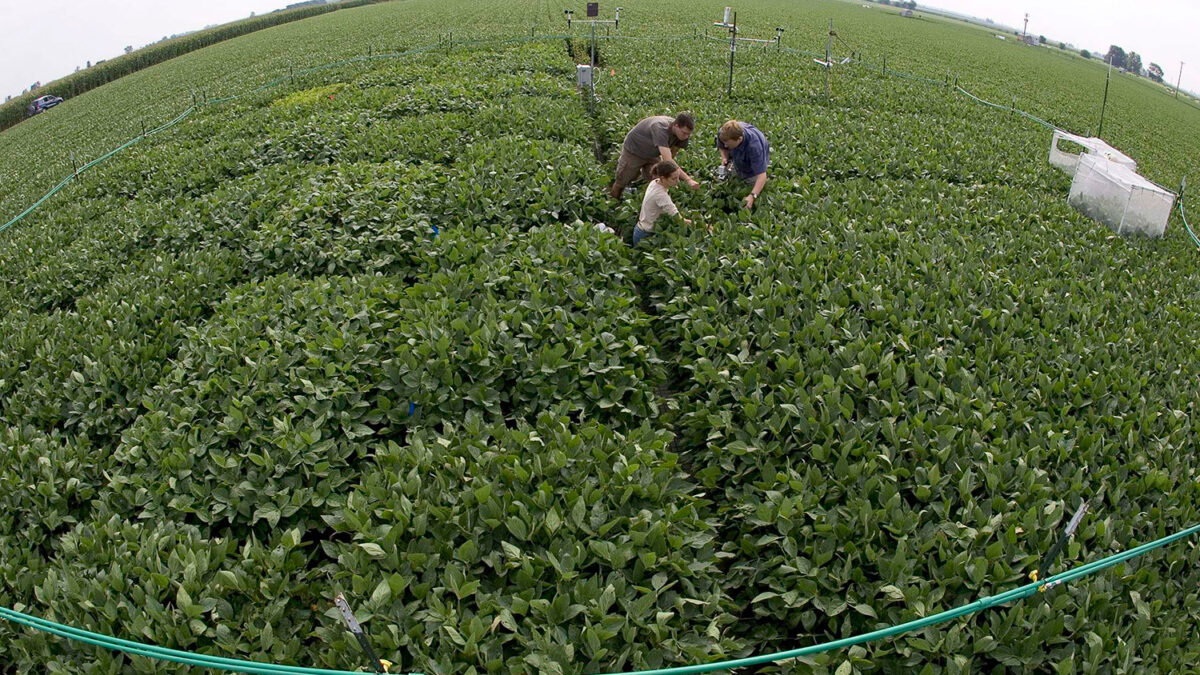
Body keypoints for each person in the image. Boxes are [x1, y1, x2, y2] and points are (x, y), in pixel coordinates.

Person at [610, 112, 701, 199]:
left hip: (653, 154)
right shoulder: (660, 127)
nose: (686, 136)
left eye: (688, 134)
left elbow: (672, 154)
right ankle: (613, 203)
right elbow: (668, 160)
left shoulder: (683, 135)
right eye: (684, 133)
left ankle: (650, 200)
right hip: (634, 150)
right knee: (623, 180)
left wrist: (669, 172)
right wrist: (688, 180)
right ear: (676, 125)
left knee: (659, 178)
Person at [632, 160, 708, 246]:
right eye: (674, 178)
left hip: (642, 228)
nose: (678, 181)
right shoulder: (660, 195)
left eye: (678, 177)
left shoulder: (655, 182)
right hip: (645, 235)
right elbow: (680, 221)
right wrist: (705, 226)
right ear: (663, 178)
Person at [715, 120, 770, 209]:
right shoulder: (723, 133)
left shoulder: (754, 147)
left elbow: (762, 176)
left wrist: (752, 196)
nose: (725, 146)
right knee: (734, 178)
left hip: (755, 155)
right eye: (724, 142)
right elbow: (722, 146)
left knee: (752, 183)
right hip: (739, 151)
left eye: (727, 144)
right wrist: (725, 157)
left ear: (739, 139)